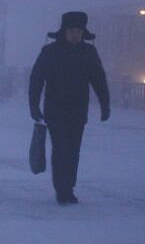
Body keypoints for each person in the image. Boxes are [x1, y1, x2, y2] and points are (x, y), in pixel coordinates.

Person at [28, 11, 110, 205]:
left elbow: (98, 79)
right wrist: (34, 105)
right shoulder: (50, 52)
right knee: (61, 148)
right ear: (65, 31)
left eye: (79, 31)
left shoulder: (89, 53)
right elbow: (36, 79)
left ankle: (69, 186)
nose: (76, 35)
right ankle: (62, 190)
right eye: (72, 31)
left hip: (78, 110)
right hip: (55, 109)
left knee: (73, 150)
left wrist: (105, 104)